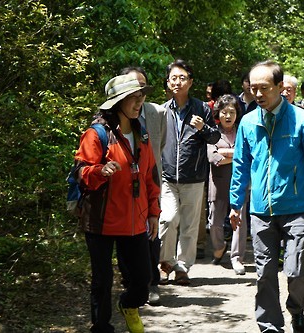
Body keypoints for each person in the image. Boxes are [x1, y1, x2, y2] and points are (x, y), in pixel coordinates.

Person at [229, 60, 304, 333]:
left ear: (279, 87)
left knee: (297, 271)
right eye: (254, 89)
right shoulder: (248, 122)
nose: (259, 94)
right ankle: (270, 326)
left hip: (298, 207)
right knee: (264, 274)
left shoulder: (303, 119)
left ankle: (296, 309)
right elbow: (240, 165)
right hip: (261, 210)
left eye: (264, 87)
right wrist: (235, 203)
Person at [74, 74, 161, 333]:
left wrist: (154, 213)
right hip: (101, 220)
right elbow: (81, 173)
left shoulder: (141, 133)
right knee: (102, 280)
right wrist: (100, 171)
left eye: (142, 97)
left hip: (134, 220)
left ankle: (128, 304)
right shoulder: (97, 134)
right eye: (134, 97)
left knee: (142, 280)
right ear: (118, 101)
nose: (139, 102)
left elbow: (149, 176)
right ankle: (101, 327)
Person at [158, 59, 221, 286]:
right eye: (173, 78)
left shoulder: (202, 108)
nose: (177, 82)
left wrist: (202, 127)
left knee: (189, 225)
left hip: (194, 177)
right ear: (167, 82)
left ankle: (183, 268)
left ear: (191, 82)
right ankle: (165, 263)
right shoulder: (161, 111)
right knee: (167, 219)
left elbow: (215, 138)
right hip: (167, 177)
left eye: (182, 78)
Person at [117, 67, 167, 307]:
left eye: (143, 90)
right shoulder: (110, 119)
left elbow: (160, 143)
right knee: (127, 238)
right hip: (122, 190)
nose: (139, 96)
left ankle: (153, 282)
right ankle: (131, 285)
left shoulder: (157, 112)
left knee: (152, 232)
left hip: (151, 180)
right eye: (133, 90)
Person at [207, 94, 248, 274]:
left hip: (240, 182)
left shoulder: (243, 131)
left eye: (231, 112)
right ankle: (219, 247)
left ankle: (237, 258)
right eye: (224, 112)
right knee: (215, 222)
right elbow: (213, 158)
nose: (228, 116)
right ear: (219, 114)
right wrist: (236, 154)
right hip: (218, 183)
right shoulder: (213, 133)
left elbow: (249, 155)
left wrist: (226, 153)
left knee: (240, 221)